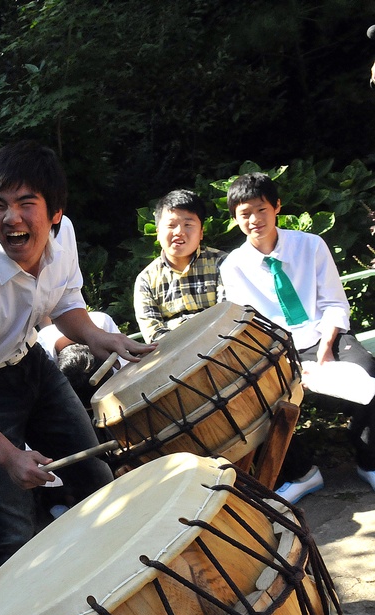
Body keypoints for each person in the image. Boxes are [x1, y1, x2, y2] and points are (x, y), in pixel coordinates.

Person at [0, 140, 153, 573]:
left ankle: (122, 582)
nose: (11, 219)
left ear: (55, 212)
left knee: (97, 478)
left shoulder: (63, 239)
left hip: (33, 367)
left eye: (26, 203)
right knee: (13, 532)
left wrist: (100, 338)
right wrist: (9, 455)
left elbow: (65, 303)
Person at [220, 172, 375, 499]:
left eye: (261, 209)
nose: (254, 220)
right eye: (244, 214)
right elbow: (252, 326)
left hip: (324, 336)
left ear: (277, 206)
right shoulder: (233, 267)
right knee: (255, 395)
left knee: (368, 370)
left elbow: (334, 301)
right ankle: (302, 473)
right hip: (278, 349)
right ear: (235, 219)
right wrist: (285, 361)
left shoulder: (310, 245)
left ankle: (369, 461)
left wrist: (328, 347)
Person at [133, 189, 228, 343]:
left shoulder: (221, 263)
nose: (179, 232)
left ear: (201, 232)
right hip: (177, 358)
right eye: (171, 225)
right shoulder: (146, 280)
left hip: (222, 344)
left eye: (188, 225)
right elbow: (154, 334)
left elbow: (228, 313)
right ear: (158, 232)